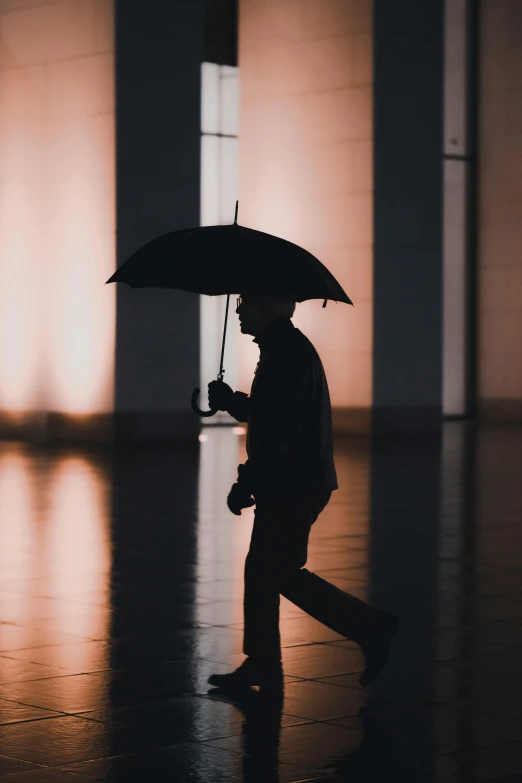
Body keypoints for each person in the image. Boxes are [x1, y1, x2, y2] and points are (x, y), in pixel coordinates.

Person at [207, 294, 398, 695]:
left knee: (273, 571)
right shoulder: (283, 349)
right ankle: (264, 662)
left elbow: (280, 432)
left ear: (273, 305)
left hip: (294, 482)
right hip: (297, 479)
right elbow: (271, 412)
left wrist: (246, 482)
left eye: (249, 302)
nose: (241, 309)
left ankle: (370, 627)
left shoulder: (286, 355)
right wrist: (231, 403)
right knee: (266, 570)